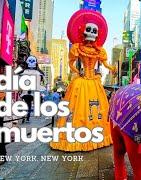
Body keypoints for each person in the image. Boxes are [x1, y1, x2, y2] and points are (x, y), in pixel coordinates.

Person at [50, 10, 116, 152]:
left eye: (94, 31)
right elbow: (71, 63)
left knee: (96, 108)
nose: (92, 33)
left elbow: (105, 64)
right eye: (89, 30)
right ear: (84, 31)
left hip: (93, 81)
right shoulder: (77, 48)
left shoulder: (100, 51)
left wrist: (112, 68)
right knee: (77, 109)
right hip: (82, 81)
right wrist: (76, 71)